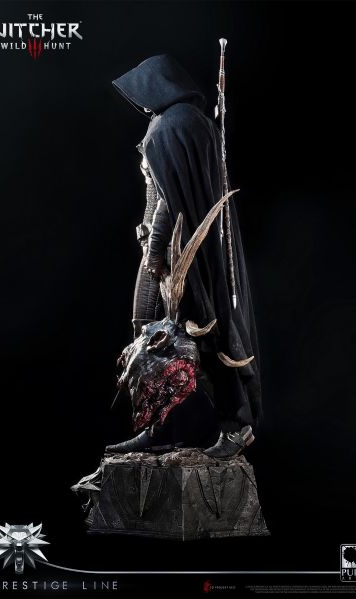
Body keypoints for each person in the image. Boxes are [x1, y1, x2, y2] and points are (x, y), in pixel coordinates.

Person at [105, 54, 261, 458]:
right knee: (154, 337)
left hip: (179, 255)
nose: (140, 103)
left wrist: (155, 252)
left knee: (199, 336)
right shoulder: (189, 122)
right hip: (174, 250)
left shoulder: (171, 126)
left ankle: (236, 426)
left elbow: (169, 202)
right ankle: (163, 426)